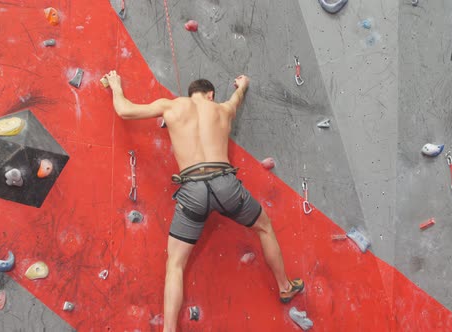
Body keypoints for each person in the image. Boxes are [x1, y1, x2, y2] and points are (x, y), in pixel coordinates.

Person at [103, 70, 304, 332]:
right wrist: (242, 85)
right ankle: (285, 287)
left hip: (192, 190)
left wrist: (116, 86)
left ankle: (169, 330)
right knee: (264, 227)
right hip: (225, 184)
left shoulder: (171, 105)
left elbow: (125, 111)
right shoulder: (222, 109)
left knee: (175, 264)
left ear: (192, 94)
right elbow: (237, 99)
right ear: (210, 95)